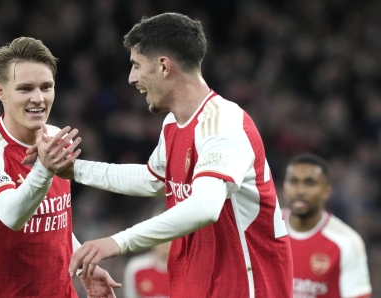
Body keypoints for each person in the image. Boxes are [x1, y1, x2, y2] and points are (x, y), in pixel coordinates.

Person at [28, 12, 293, 297]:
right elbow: (154, 180)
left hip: (245, 288)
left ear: (164, 66)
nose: (131, 78)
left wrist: (118, 242)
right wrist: (73, 169)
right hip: (199, 285)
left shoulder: (222, 123)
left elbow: (206, 206)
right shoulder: (174, 124)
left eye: (136, 66)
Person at [0, 37, 120, 298]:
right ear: (0, 91)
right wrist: (43, 168)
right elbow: (12, 215)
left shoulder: (55, 138)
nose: (38, 98)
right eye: (25, 89)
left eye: (46, 87)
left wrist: (82, 265)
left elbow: (55, 218)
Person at [282, 153, 372, 298]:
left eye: (309, 183)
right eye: (293, 182)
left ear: (327, 191)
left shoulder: (347, 242)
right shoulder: (263, 230)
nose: (300, 191)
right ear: (284, 187)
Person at [123, 205, 171, 298]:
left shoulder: (191, 272)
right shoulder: (136, 268)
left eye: (169, 233)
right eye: (158, 232)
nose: (164, 240)